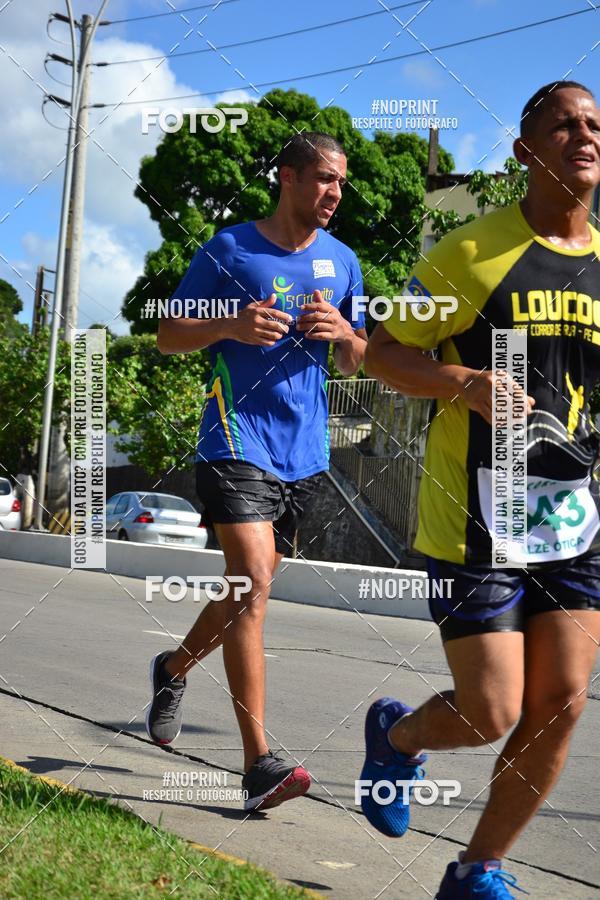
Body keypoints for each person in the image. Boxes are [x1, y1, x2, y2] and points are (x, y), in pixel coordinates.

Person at [359, 81, 600, 898]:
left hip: (573, 522)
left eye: (595, 124)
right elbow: (381, 352)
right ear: (525, 152)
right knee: (493, 711)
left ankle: (476, 872)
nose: (585, 135)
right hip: (475, 520)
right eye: (564, 125)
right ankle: (396, 740)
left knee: (561, 703)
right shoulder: (469, 252)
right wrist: (460, 382)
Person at [146, 132, 367, 812]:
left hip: (303, 453)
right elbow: (168, 332)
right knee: (253, 581)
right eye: (324, 179)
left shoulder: (344, 262)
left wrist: (344, 335)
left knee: (248, 589)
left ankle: (173, 667)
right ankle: (259, 765)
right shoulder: (230, 249)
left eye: (340, 184)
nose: (333, 194)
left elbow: (363, 359)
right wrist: (231, 324)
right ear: (289, 176)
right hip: (233, 436)